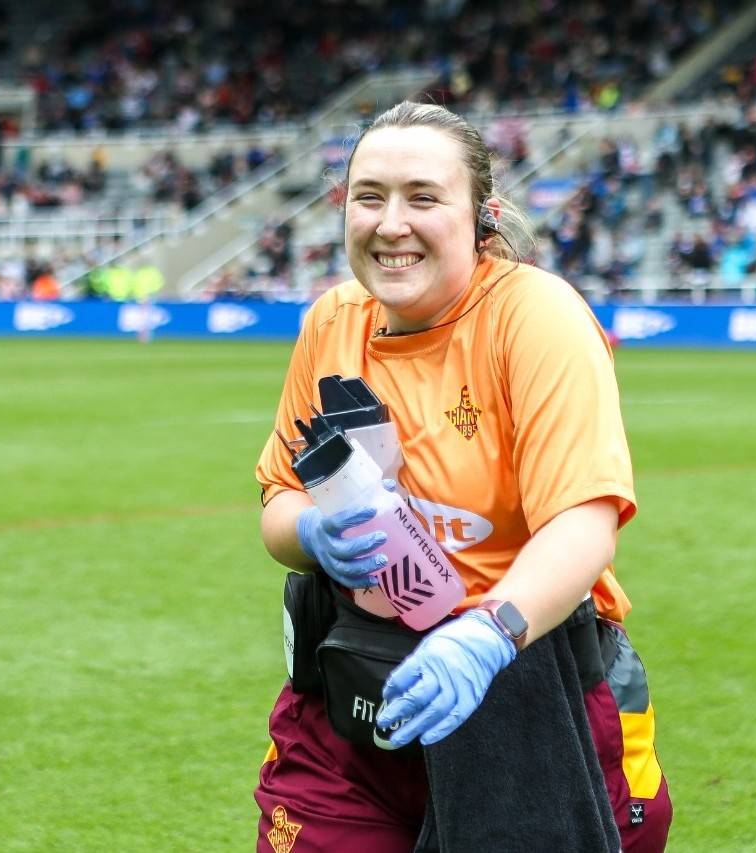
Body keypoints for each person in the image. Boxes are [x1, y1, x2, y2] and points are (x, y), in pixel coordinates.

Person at [254, 101, 671, 852]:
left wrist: (487, 633)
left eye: (423, 197)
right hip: (350, 698)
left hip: (530, 693)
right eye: (369, 196)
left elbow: (584, 523)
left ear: (482, 215)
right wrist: (311, 533)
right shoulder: (332, 321)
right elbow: (279, 498)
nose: (391, 224)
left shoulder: (534, 315)